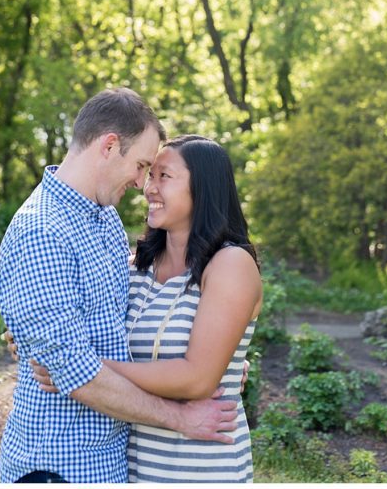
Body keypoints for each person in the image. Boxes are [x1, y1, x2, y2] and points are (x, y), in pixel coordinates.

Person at [0, 89, 238, 483]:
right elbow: (76, 372)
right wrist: (182, 418)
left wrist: (222, 361)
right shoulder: (40, 232)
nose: (142, 183)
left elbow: (129, 316)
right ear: (109, 146)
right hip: (60, 467)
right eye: (142, 165)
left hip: (110, 462)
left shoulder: (104, 219)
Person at [32, 135, 263, 481]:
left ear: (204, 188)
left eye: (164, 177)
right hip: (131, 470)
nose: (148, 188)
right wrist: (33, 337)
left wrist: (80, 370)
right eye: (149, 175)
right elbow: (65, 319)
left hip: (203, 469)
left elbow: (197, 378)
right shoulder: (134, 268)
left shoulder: (230, 264)